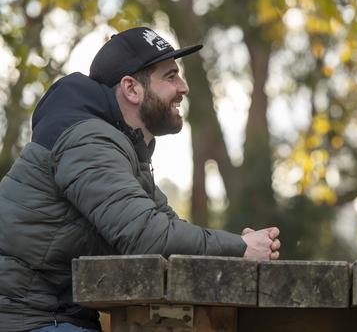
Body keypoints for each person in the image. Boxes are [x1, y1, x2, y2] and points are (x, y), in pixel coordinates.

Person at [0, 27, 281, 331]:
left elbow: (167, 227)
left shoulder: (121, 147)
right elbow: (147, 237)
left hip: (58, 315)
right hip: (26, 318)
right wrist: (238, 247)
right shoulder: (88, 143)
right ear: (131, 89)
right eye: (170, 77)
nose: (184, 87)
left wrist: (236, 249)